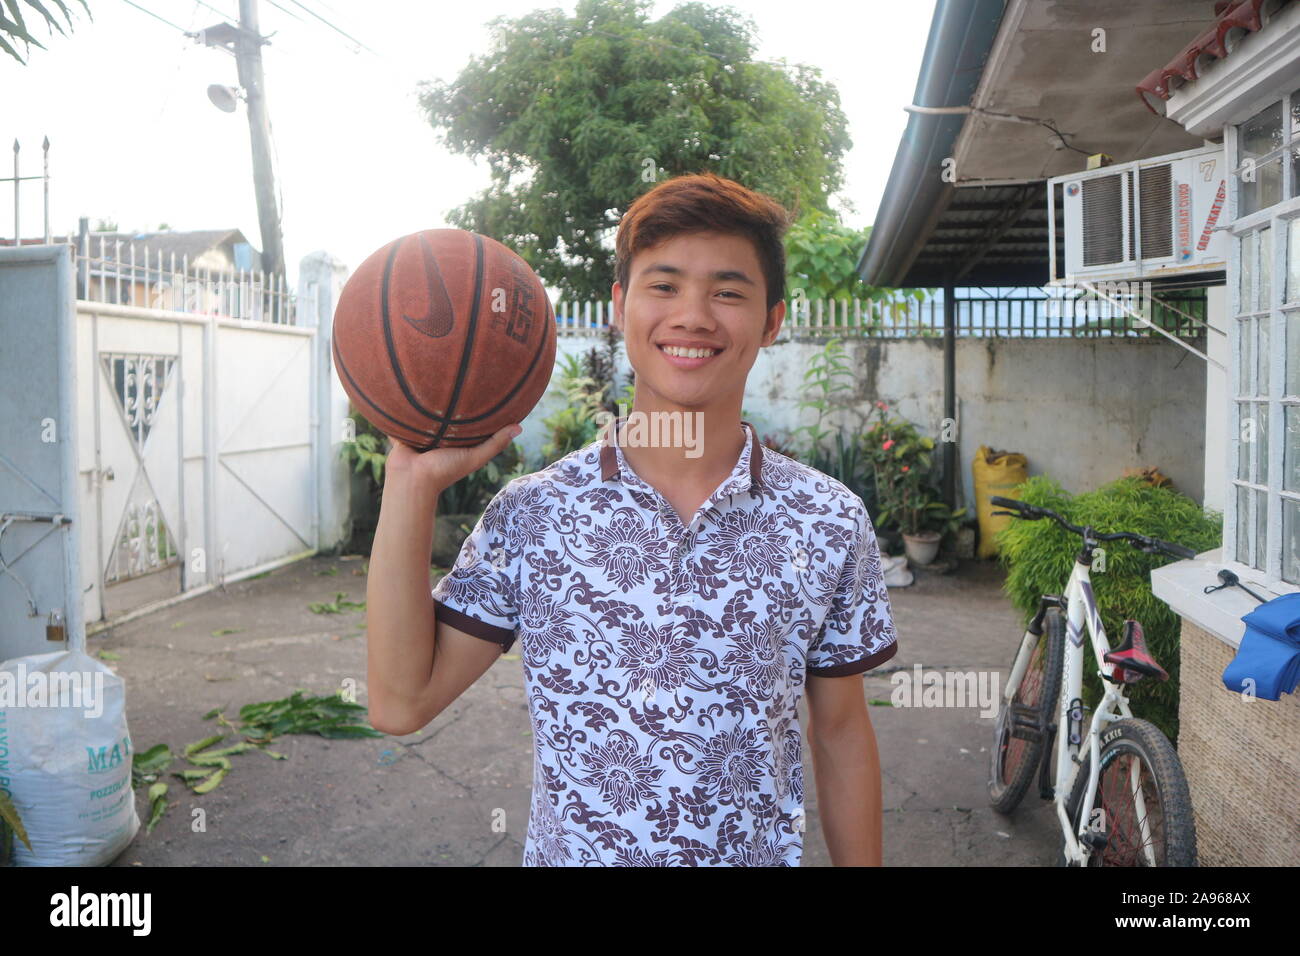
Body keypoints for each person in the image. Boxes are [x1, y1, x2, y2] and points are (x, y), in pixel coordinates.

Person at [366, 173, 898, 866]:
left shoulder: (828, 519)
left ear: (772, 319)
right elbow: (400, 704)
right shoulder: (535, 514)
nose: (694, 316)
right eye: (665, 285)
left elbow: (841, 734)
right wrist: (410, 483)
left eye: (728, 291)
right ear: (619, 306)